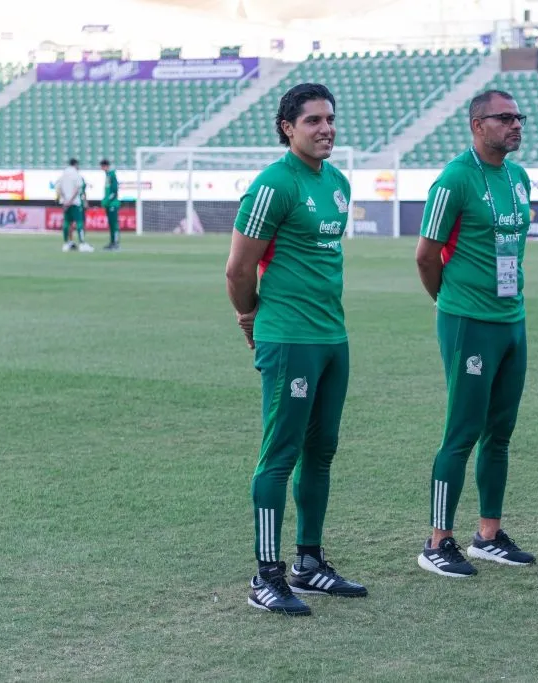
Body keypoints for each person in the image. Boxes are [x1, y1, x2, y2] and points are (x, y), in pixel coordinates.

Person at [225, 82, 367, 616]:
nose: (326, 128)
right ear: (288, 128)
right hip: (289, 338)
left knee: (322, 451)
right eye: (313, 120)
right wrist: (249, 315)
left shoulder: (338, 183)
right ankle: (266, 575)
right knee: (280, 455)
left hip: (333, 336)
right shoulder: (273, 186)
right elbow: (239, 267)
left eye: (330, 118)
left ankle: (309, 563)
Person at [414, 89, 536, 578]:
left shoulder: (519, 176)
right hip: (468, 319)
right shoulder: (454, 179)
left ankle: (488, 535)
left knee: (500, 432)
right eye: (504, 118)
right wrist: (452, 301)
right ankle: (437, 541)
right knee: (462, 431)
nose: (515, 124)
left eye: (518, 117)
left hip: (512, 319)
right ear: (476, 124)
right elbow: (426, 255)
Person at [57, 158, 93, 252]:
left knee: (66, 223)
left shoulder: (63, 174)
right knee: (79, 222)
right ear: (76, 165)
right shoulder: (76, 175)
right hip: (75, 203)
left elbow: (59, 188)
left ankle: (66, 244)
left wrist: (65, 200)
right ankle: (82, 243)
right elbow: (77, 189)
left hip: (65, 203)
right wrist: (71, 200)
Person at [99, 159, 120, 250]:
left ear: (105, 166)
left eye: (102, 166)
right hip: (109, 204)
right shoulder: (107, 175)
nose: (101, 168)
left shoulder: (112, 175)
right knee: (111, 224)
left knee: (114, 224)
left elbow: (114, 191)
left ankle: (115, 243)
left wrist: (108, 200)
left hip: (113, 204)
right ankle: (112, 242)